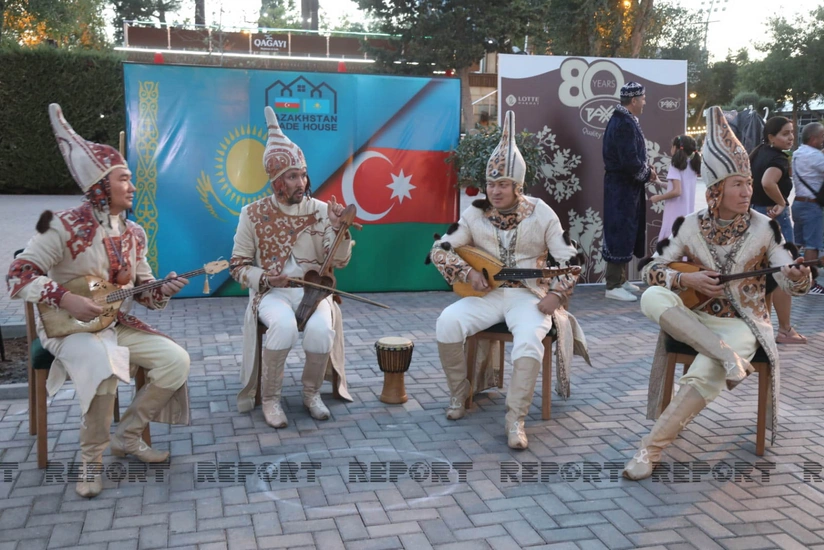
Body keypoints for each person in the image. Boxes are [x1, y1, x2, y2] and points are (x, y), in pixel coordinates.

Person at [7, 104, 191, 498]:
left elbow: (144, 293)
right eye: (124, 179)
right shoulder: (60, 224)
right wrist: (65, 299)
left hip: (114, 324)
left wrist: (162, 289)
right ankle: (91, 462)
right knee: (102, 366)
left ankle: (127, 435)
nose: (133, 186)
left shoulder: (135, 233)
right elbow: (18, 275)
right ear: (101, 185)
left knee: (176, 361)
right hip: (69, 328)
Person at [622, 107, 811, 480]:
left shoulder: (765, 227)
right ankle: (725, 357)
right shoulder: (690, 226)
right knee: (651, 297)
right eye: (737, 184)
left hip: (742, 323)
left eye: (748, 183)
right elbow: (650, 270)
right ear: (715, 190)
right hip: (694, 317)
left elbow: (789, 281)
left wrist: (797, 276)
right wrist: (686, 281)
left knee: (704, 371)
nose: (747, 191)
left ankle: (651, 447)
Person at [429, 110, 589, 450]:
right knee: (447, 322)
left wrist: (557, 296)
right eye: (491, 184)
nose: (495, 191)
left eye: (503, 184)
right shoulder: (474, 213)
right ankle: (460, 396)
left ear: (518, 186)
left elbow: (570, 261)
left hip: (528, 296)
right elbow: (440, 249)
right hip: (487, 295)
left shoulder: (542, 213)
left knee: (530, 338)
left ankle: (515, 418)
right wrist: (468, 272)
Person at [231, 106, 353, 428]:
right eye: (292, 176)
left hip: (315, 292)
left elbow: (338, 259)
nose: (301, 182)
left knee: (319, 333)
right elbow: (237, 266)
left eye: (302, 174)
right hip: (272, 293)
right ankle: (271, 400)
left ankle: (311, 395)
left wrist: (341, 229)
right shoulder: (252, 213)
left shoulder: (324, 210)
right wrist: (265, 277)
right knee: (283, 328)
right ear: (276, 182)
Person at [750, 116, 806, 343]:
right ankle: (784, 329)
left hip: (755, 214)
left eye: (792, 132)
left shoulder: (759, 152)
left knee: (766, 275)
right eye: (785, 133)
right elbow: (767, 182)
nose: (791, 137)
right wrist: (782, 203)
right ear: (771, 137)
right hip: (774, 216)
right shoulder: (778, 159)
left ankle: (767, 327)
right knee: (785, 272)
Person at [602, 81, 659, 302]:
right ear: (634, 100)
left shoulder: (623, 119)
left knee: (626, 229)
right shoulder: (623, 123)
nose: (645, 102)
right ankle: (613, 284)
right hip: (621, 187)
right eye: (643, 98)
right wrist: (648, 174)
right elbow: (629, 161)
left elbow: (632, 160)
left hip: (625, 186)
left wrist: (646, 171)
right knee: (619, 229)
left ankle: (620, 280)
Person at [791, 121, 824, 295]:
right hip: (812, 206)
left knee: (799, 243)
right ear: (813, 139)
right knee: (812, 245)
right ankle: (810, 283)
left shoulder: (797, 153)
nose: (823, 140)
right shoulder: (816, 156)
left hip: (797, 203)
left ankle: (795, 278)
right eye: (822, 137)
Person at [651, 134, 700, 242]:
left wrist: (659, 197)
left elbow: (677, 191)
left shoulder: (676, 165)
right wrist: (659, 182)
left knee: (668, 249)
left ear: (676, 148)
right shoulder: (692, 166)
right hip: (686, 215)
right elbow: (678, 187)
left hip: (674, 213)